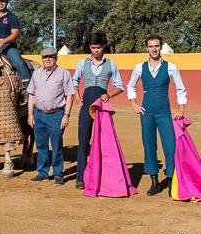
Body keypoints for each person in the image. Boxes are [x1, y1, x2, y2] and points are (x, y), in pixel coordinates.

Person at [127, 35, 187, 196]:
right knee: (149, 146)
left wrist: (181, 109)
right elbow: (130, 86)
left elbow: (181, 88)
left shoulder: (170, 67)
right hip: (146, 113)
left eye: (157, 46)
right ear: (146, 48)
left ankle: (170, 182)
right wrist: (133, 103)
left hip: (164, 112)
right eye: (151, 46)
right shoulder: (139, 67)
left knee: (171, 147)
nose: (154, 49)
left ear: (160, 48)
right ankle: (154, 183)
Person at [72, 32, 124, 190]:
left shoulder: (111, 64)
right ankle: (80, 177)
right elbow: (74, 80)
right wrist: (78, 97)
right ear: (89, 47)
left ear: (104, 47)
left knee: (104, 140)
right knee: (83, 140)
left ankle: (103, 175)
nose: (96, 51)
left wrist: (108, 95)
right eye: (93, 48)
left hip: (102, 103)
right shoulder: (82, 63)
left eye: (99, 48)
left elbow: (119, 86)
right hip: (87, 100)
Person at [27, 47, 75, 185]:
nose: (47, 59)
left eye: (50, 56)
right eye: (44, 57)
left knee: (56, 145)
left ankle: (58, 174)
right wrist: (30, 114)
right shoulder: (36, 74)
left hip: (56, 115)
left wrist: (66, 115)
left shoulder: (63, 73)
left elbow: (69, 95)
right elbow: (31, 94)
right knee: (41, 146)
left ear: (56, 58)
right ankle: (42, 173)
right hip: (39, 114)